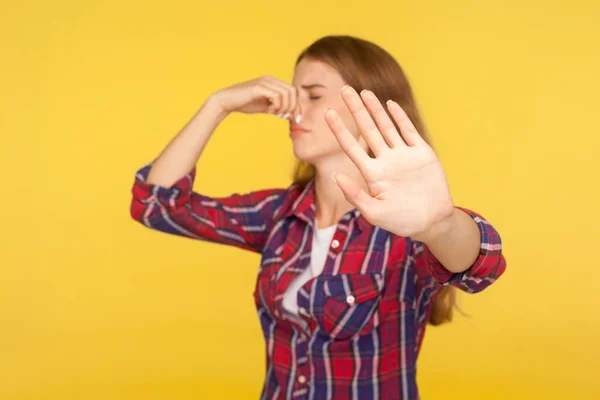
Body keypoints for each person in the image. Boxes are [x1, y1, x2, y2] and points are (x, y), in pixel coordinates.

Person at [129, 35, 506, 400]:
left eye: (312, 95)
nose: (294, 110)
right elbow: (157, 206)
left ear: (369, 108)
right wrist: (218, 105)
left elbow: (480, 267)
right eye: (294, 95)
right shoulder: (280, 215)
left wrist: (438, 226)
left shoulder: (403, 226)